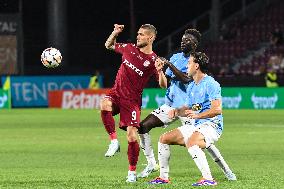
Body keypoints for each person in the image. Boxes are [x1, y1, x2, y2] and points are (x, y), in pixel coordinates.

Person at [138, 29, 236, 182]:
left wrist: (196, 114)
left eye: (190, 63)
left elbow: (216, 109)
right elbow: (173, 89)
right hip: (176, 107)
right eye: (182, 39)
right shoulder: (183, 68)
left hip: (208, 122)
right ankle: (161, 176)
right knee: (159, 136)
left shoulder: (209, 83)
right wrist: (177, 110)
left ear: (196, 65)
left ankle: (215, 176)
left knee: (198, 143)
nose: (183, 42)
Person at [101, 24, 161, 182]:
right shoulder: (128, 48)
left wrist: (160, 71)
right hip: (116, 93)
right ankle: (113, 141)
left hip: (132, 101)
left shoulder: (153, 60)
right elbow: (108, 45)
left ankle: (132, 173)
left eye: (141, 35)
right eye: (138, 34)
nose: (138, 37)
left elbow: (163, 85)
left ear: (150, 38)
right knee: (104, 104)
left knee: (132, 135)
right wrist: (115, 32)